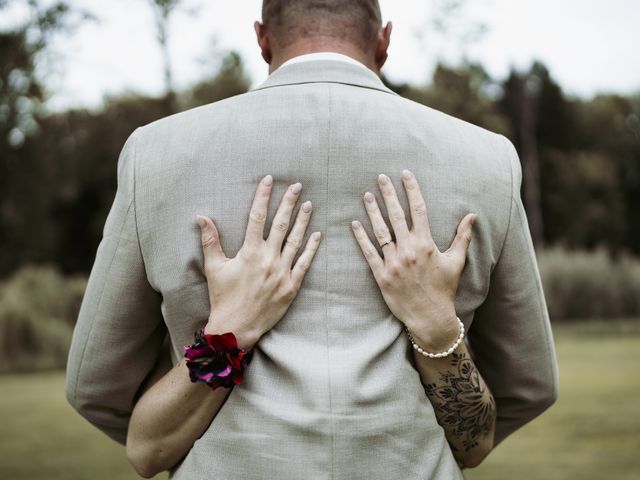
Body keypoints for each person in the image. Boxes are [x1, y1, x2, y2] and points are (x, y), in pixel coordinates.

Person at [65, 1, 559, 479]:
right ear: (384, 42)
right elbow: (527, 388)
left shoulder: (155, 155)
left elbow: (97, 388)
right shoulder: (489, 160)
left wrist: (222, 351)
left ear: (262, 38)